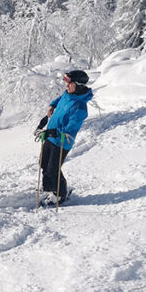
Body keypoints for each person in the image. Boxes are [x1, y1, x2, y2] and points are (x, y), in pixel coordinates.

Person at [35, 70, 93, 205]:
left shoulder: (80, 108)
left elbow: (69, 130)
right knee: (43, 163)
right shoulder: (68, 95)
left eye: (69, 83)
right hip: (50, 136)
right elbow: (60, 99)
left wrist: (52, 132)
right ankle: (49, 188)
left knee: (53, 169)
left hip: (61, 142)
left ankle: (60, 194)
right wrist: (52, 105)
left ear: (78, 85)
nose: (66, 86)